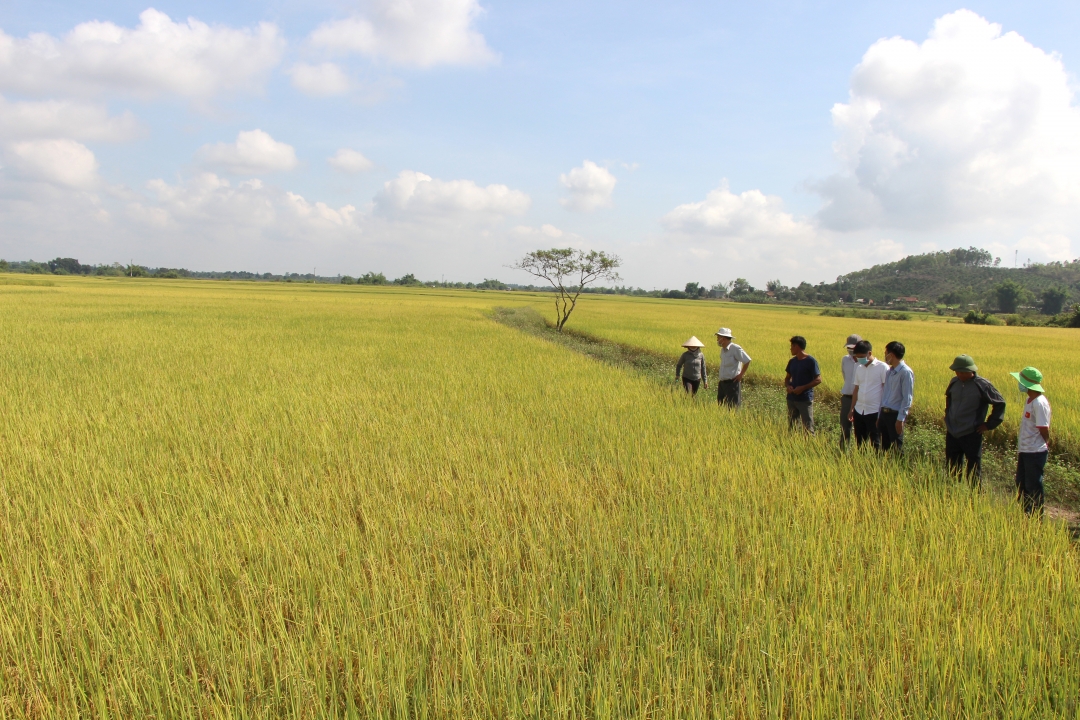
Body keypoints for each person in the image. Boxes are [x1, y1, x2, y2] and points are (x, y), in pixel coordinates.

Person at [944, 354, 1006, 487]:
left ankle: (975, 495)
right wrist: (947, 416)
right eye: (957, 371)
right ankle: (953, 490)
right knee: (952, 465)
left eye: (962, 372)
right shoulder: (954, 382)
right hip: (953, 431)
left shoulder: (982, 385)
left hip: (971, 432)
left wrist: (989, 424)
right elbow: (949, 399)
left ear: (970, 371)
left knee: (973, 466)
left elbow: (1000, 403)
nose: (958, 374)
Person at [1011, 367, 1051, 516]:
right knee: (1021, 484)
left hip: (1035, 451)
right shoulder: (1030, 400)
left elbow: (1043, 428)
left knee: (1033, 485)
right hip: (1025, 449)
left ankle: (1036, 517)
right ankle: (1025, 513)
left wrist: (1046, 443)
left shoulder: (1039, 403)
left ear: (1027, 384)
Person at [847, 340, 887, 450]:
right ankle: (861, 462)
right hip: (860, 410)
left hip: (874, 411)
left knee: (876, 442)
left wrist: (882, 412)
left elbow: (886, 389)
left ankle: (875, 464)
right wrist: (852, 408)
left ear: (869, 353)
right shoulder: (859, 368)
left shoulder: (882, 367)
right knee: (860, 442)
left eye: (861, 356)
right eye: (857, 357)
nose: (859, 359)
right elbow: (856, 389)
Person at [879, 341, 914, 454]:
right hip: (885, 413)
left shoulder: (905, 372)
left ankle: (899, 470)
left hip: (895, 415)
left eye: (886, 353)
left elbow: (907, 398)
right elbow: (885, 394)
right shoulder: (890, 371)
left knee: (896, 449)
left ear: (892, 355)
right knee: (884, 448)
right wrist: (880, 415)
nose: (885, 356)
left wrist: (900, 419)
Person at [784, 336, 821, 434]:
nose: (790, 348)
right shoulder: (792, 361)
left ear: (797, 346)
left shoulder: (811, 361)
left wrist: (803, 388)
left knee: (808, 428)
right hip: (791, 398)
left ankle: (809, 446)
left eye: (792, 346)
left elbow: (818, 380)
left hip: (805, 399)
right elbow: (787, 378)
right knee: (792, 426)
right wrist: (788, 386)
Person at [715, 327, 751, 408]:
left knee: (733, 408)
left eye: (718, 338)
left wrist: (741, 375)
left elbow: (747, 360)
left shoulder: (735, 348)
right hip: (722, 384)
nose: (717, 340)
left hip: (732, 384)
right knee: (720, 407)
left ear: (723, 338)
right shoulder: (723, 350)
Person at [839, 334, 862, 449]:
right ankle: (843, 452)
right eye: (849, 348)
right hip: (847, 398)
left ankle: (860, 453)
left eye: (853, 348)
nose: (850, 350)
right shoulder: (845, 359)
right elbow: (845, 377)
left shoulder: (865, 363)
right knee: (845, 427)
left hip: (861, 400)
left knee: (860, 429)